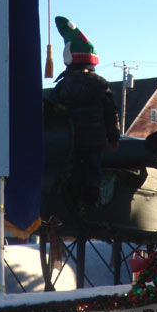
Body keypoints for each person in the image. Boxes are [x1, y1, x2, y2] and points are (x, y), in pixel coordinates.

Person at [49, 15, 120, 210]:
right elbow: (110, 114)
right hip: (95, 140)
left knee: (72, 171)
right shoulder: (101, 84)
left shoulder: (63, 85)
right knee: (93, 171)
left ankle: (71, 203)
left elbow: (52, 108)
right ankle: (92, 202)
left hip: (70, 140)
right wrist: (113, 138)